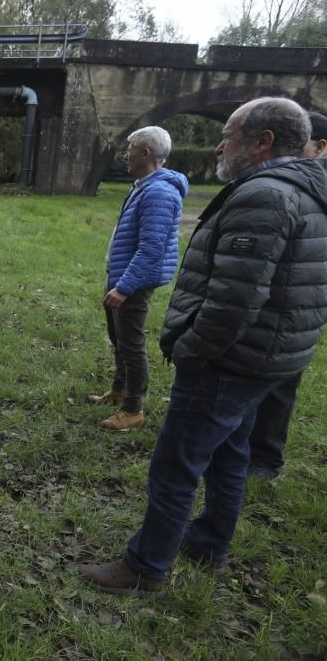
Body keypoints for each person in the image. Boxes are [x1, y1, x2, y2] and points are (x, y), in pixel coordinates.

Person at [78, 97, 327, 595]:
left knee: (176, 462)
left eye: (230, 134)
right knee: (231, 452)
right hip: (271, 357)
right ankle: (210, 542)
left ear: (263, 142)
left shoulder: (266, 197)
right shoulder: (306, 188)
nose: (219, 143)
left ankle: (146, 567)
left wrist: (193, 348)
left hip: (230, 361)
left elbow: (235, 297)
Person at [89, 126, 187, 431]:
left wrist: (124, 287)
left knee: (131, 344)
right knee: (119, 340)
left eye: (130, 148)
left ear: (146, 152)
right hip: (121, 276)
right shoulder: (144, 185)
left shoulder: (158, 192)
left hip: (132, 282)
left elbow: (151, 250)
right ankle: (120, 390)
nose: (125, 155)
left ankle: (133, 409)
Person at [247, 110, 327, 479]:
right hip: (287, 296)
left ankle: (265, 458)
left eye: (302, 145)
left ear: (320, 147)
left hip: (298, 302)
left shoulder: (312, 189)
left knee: (281, 383)